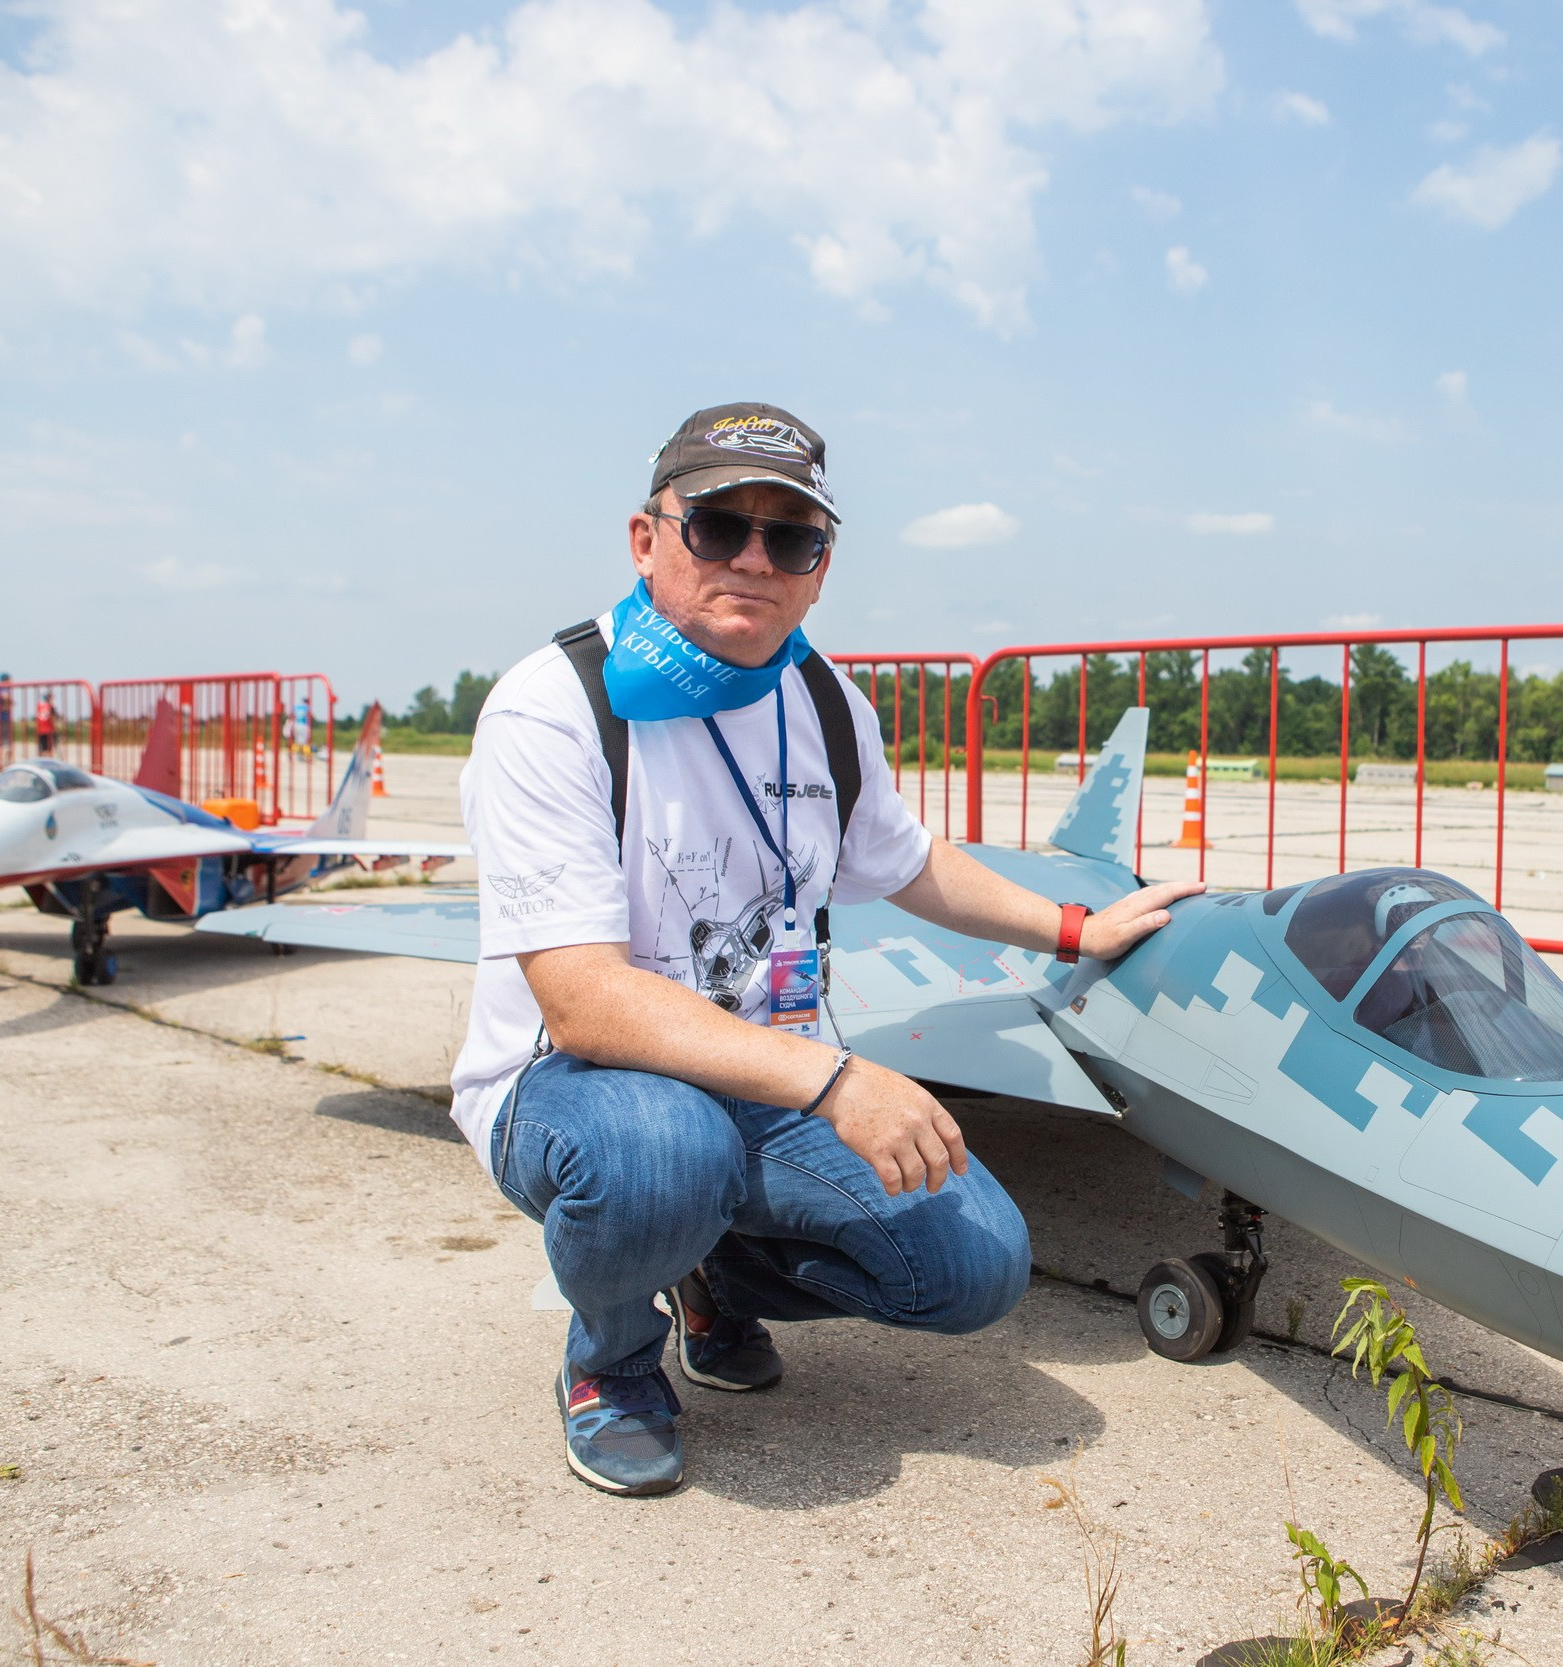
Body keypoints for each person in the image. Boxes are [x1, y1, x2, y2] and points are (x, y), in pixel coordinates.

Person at [450, 403, 1199, 1497]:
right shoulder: (552, 708)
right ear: (646, 538)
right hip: (578, 1085)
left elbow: (907, 862)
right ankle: (611, 1358)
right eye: (718, 526)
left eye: (789, 538)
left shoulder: (824, 702)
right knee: (665, 1155)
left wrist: (1073, 926)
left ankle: (705, 1273)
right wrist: (841, 1079)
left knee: (974, 1264)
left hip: (761, 1077)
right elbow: (583, 1003)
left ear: (818, 567)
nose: (754, 558)